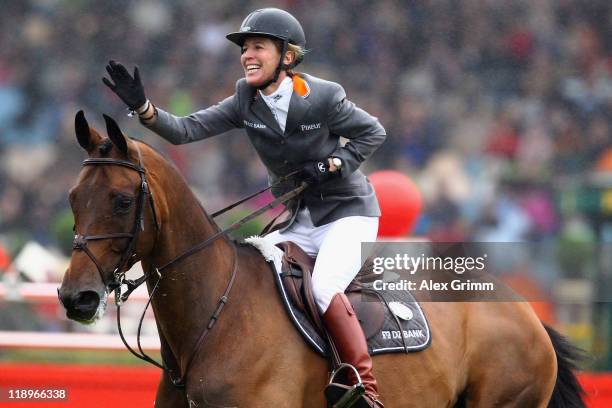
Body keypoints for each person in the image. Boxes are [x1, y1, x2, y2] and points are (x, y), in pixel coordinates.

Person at [103, 8, 385, 407]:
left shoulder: (323, 96)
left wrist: (334, 163)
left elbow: (373, 132)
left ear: (286, 57)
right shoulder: (244, 98)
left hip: (351, 216)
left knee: (323, 287)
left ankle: (364, 387)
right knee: (256, 275)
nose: (247, 55)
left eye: (258, 47)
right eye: (245, 49)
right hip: (300, 218)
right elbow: (186, 130)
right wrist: (145, 108)